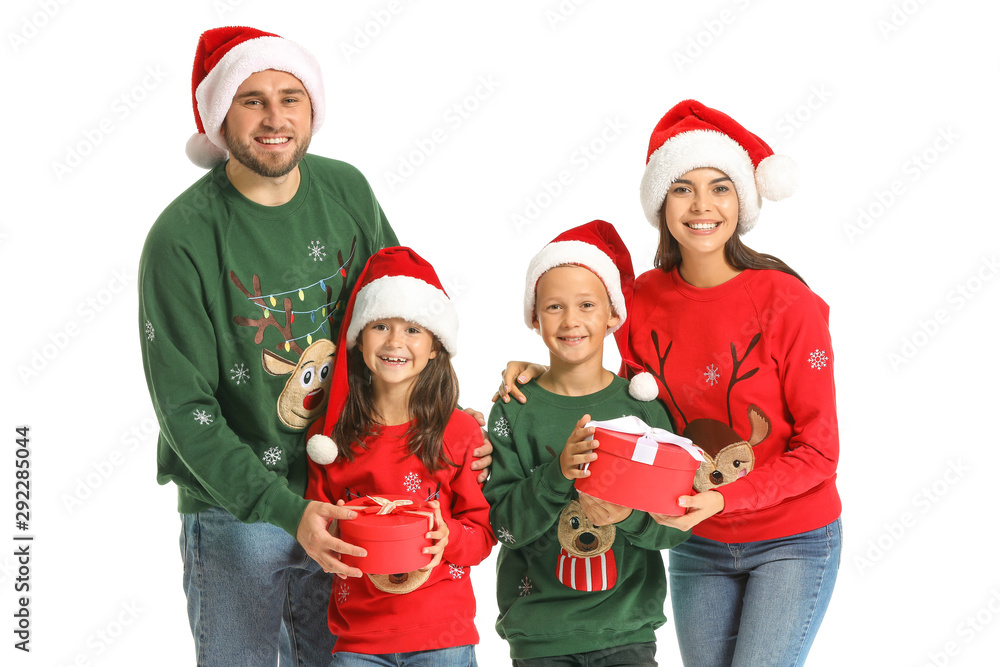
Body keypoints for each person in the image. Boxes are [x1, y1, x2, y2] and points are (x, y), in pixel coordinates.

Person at [138, 26, 489, 666]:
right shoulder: (181, 239)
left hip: (357, 492)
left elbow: (405, 314)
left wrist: (449, 425)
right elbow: (185, 408)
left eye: (290, 97)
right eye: (253, 100)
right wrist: (280, 507)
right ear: (220, 115)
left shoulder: (346, 191)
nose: (275, 118)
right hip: (238, 506)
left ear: (312, 108)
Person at [500, 101, 842, 667]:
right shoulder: (638, 303)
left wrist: (720, 497)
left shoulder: (791, 306)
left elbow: (820, 450)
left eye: (721, 188)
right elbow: (592, 361)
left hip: (791, 540)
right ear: (661, 201)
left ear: (743, 201)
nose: (702, 206)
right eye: (683, 188)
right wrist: (536, 371)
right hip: (692, 540)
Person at [485, 220, 690, 666]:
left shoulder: (644, 412)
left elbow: (675, 526)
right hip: (540, 636)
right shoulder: (514, 409)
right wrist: (558, 473)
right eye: (554, 307)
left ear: (613, 315)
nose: (571, 320)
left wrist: (629, 515)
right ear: (534, 318)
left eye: (587, 305)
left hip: (627, 633)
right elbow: (502, 528)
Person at [304, 246, 496, 665]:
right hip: (359, 643)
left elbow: (482, 537)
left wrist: (448, 536)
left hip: (442, 637)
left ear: (434, 347)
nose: (395, 342)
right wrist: (334, 543)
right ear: (358, 340)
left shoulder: (460, 432)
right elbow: (316, 534)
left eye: (413, 329)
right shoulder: (329, 439)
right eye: (380, 326)